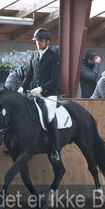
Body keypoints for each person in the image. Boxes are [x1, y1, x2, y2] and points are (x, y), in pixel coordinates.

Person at [18, 28, 61, 162]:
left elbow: (54, 80)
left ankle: (56, 149)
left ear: (47, 42)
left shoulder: (54, 56)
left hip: (49, 93)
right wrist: (22, 88)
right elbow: (30, 75)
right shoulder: (34, 55)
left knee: (49, 115)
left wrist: (41, 89)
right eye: (36, 41)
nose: (38, 43)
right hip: (34, 92)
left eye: (40, 41)